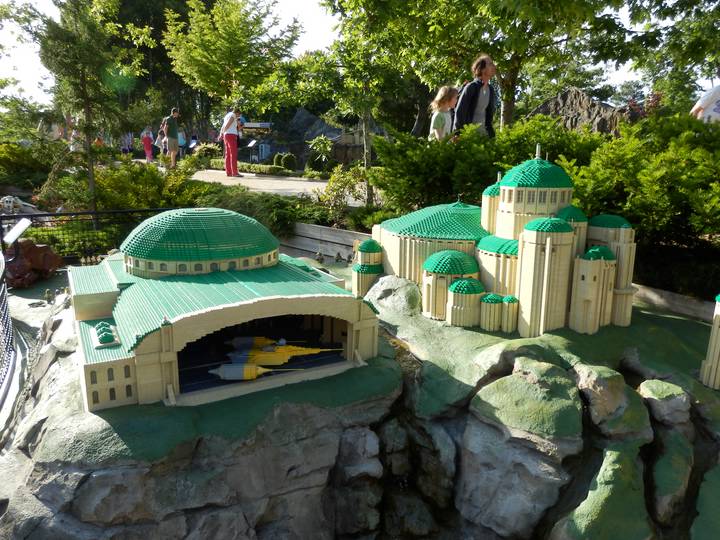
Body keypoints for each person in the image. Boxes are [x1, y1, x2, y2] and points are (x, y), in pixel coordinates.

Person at [452, 54, 497, 137]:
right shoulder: (471, 87)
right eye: (490, 64)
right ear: (482, 69)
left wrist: (491, 134)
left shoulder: (490, 89)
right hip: (469, 136)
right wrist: (457, 134)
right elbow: (460, 112)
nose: (494, 66)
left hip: (484, 136)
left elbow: (489, 116)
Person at [218, 106, 242, 177]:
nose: (239, 116)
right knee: (233, 153)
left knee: (228, 154)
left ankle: (228, 172)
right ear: (237, 112)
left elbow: (223, 126)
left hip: (226, 135)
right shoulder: (233, 115)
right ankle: (235, 172)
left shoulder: (227, 115)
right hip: (231, 135)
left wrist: (221, 134)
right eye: (239, 114)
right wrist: (222, 133)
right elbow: (228, 125)